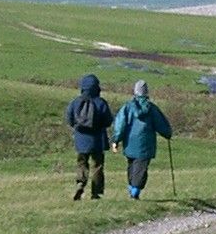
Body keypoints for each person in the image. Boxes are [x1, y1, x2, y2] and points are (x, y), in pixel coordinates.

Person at [112, 78, 174, 197]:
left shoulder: (127, 107)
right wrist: (167, 134)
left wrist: (116, 140)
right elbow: (162, 125)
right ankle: (135, 191)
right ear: (146, 92)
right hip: (146, 145)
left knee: (131, 166)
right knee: (141, 169)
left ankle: (132, 188)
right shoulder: (152, 109)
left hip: (129, 143)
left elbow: (120, 125)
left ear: (135, 92)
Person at [65, 72, 114, 202]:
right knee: (97, 166)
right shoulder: (101, 103)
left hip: (81, 139)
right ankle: (96, 193)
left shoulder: (75, 102)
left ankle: (80, 183)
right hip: (97, 140)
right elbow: (108, 121)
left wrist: (77, 128)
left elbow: (69, 119)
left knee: (82, 163)